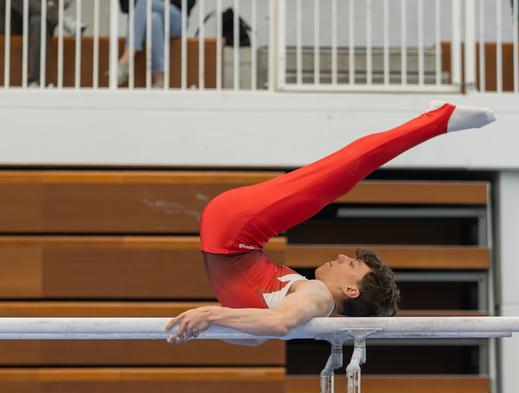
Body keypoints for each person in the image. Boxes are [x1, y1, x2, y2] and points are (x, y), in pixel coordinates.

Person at [165, 103, 496, 345]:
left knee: (344, 169)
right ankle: (434, 121)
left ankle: (439, 118)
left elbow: (279, 323)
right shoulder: (302, 309)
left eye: (350, 264)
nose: (341, 257)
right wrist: (211, 322)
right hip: (231, 233)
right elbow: (267, 328)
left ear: (351, 290)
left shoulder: (319, 296)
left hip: (236, 229)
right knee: (338, 174)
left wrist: (209, 317)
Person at [117, 0, 196, 88]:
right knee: (154, 19)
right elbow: (125, 6)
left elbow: (189, 3)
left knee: (145, 2)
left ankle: (125, 60)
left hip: (177, 18)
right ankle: (159, 81)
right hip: (146, 20)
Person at [0, 0, 59, 87]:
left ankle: (34, 83)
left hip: (33, 19)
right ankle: (59, 19)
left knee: (38, 22)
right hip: (8, 18)